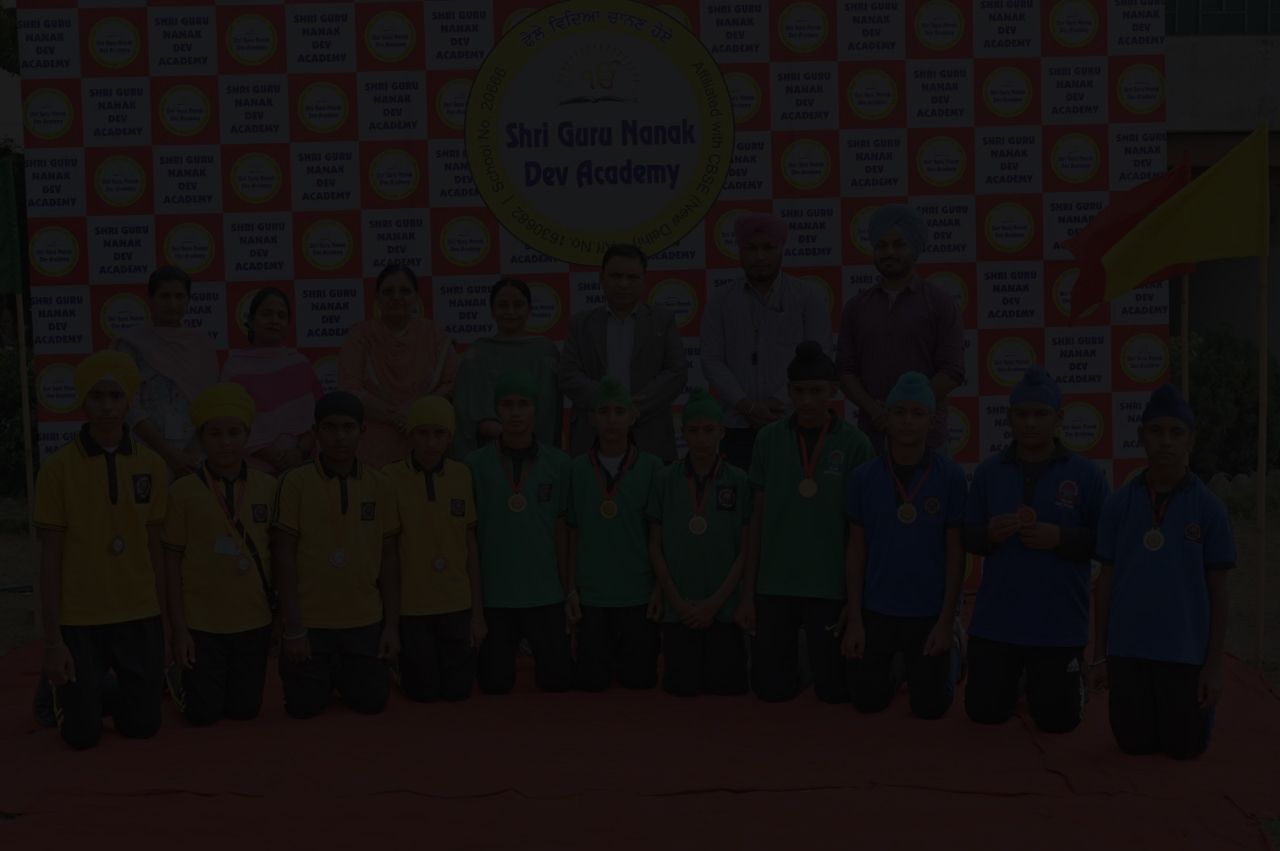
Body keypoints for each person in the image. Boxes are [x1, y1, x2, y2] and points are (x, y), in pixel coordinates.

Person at [962, 366, 1108, 733]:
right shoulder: (988, 472)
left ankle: (1053, 680)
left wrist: (1061, 538)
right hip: (997, 622)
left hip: (1058, 625)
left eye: (1040, 414)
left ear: (1059, 418)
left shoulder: (1087, 475)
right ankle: (1019, 678)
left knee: (1059, 723)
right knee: (984, 713)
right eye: (1021, 414)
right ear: (1009, 417)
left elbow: (1107, 542)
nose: (1030, 422)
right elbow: (968, 536)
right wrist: (988, 535)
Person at [1093, 384, 1234, 759]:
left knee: (1184, 749)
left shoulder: (1209, 509)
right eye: (1156, 431)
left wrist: (1214, 666)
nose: (1166, 442)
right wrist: (1101, 654)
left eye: (1176, 432)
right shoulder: (1119, 504)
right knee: (1132, 747)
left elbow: (1219, 591)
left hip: (1184, 653)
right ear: (1141, 437)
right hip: (1128, 651)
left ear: (1191, 439)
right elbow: (1105, 581)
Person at [35, 351, 168, 749]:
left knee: (142, 727)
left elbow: (156, 548)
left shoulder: (152, 465)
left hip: (138, 611)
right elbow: (50, 558)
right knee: (81, 737)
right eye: (96, 396)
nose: (107, 406)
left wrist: (163, 621)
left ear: (129, 400)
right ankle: (66, 692)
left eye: (115, 395)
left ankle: (96, 691)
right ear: (82, 401)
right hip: (81, 616)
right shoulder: (57, 469)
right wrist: (53, 641)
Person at [736, 341, 873, 703]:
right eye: (799, 391)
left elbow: (861, 532)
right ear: (789, 391)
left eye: (816, 391)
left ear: (834, 391)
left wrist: (854, 604)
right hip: (775, 583)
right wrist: (748, 595)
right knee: (770, 691)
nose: (807, 400)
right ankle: (800, 658)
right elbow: (755, 520)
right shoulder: (767, 439)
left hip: (828, 585)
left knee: (835, 693)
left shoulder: (856, 444)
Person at [842, 373, 966, 719]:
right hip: (878, 608)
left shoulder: (951, 477)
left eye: (917, 413)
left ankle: (956, 650)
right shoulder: (863, 477)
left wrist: (947, 620)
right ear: (886, 417)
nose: (908, 421)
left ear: (932, 420)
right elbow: (856, 550)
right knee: (866, 701)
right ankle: (901, 666)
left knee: (931, 707)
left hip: (928, 611)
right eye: (899, 412)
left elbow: (956, 553)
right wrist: (856, 619)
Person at [272, 392, 400, 718]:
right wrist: (293, 628)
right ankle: (326, 673)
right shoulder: (294, 482)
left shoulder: (381, 484)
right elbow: (284, 557)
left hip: (364, 622)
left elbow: (388, 559)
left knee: (371, 703)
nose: (339, 436)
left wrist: (391, 627)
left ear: (362, 431)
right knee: (302, 707)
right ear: (316, 432)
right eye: (330, 428)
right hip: (311, 624)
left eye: (348, 428)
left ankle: (343, 673)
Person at [164, 383, 277, 726]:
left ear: (247, 435)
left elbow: (280, 555)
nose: (225, 442)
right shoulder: (183, 491)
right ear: (200, 437)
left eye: (233, 433)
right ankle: (176, 680)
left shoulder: (268, 487)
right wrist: (179, 630)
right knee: (203, 715)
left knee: (245, 711)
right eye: (214, 434)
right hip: (202, 623)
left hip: (254, 620)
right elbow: (171, 563)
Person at [466, 371, 575, 694]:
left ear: (536, 409)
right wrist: (476, 606)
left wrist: (568, 590)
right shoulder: (474, 465)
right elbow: (469, 538)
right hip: (496, 596)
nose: (515, 412)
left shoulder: (559, 464)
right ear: (496, 409)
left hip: (545, 593)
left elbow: (563, 532)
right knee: (494, 686)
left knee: (558, 683)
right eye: (507, 404)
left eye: (523, 404)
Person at [700, 212, 832, 470]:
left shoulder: (807, 297)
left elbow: (820, 358)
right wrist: (746, 405)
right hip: (737, 425)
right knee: (741, 494)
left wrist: (779, 402)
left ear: (781, 249)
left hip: (794, 422)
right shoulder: (721, 301)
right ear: (739, 251)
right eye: (751, 248)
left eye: (768, 247)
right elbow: (711, 360)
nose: (760, 256)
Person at [647, 388, 751, 697]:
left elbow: (746, 550)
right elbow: (655, 546)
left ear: (722, 431)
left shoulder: (740, 480)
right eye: (693, 430)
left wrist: (715, 603)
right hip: (679, 607)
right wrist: (675, 601)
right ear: (683, 432)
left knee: (726, 690)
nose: (701, 438)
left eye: (708, 430)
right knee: (681, 690)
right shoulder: (664, 479)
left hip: (724, 608)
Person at [836, 204, 965, 453]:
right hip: (872, 437)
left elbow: (952, 371)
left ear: (914, 249)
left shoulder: (940, 303)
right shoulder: (856, 307)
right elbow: (845, 371)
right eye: (882, 246)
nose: (889, 252)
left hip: (928, 442)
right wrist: (875, 410)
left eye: (898, 245)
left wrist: (908, 411)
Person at [384, 396, 486, 702]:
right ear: (410, 435)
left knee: (458, 692)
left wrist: (477, 615)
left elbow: (470, 545)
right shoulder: (390, 478)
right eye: (423, 433)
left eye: (439, 433)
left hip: (456, 601)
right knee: (423, 693)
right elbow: (389, 553)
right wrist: (391, 623)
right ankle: (397, 670)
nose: (431, 442)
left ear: (450, 436)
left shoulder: (462, 474)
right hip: (412, 606)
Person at [566, 377, 664, 691]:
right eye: (604, 411)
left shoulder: (652, 469)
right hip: (592, 594)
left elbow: (659, 537)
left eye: (619, 412)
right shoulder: (576, 470)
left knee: (640, 682)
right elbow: (571, 533)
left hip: (638, 592)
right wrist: (571, 589)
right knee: (591, 684)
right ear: (591, 418)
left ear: (633, 416)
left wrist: (658, 589)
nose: (611, 419)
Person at [559, 244, 687, 462]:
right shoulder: (580, 324)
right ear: (601, 278)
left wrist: (633, 409)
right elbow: (568, 374)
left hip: (650, 433)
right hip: (592, 435)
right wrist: (607, 406)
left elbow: (677, 372)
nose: (624, 284)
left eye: (632, 277)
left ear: (644, 280)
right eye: (616, 276)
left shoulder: (663, 321)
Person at [339, 264, 460, 468]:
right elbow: (350, 389)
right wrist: (395, 415)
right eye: (388, 292)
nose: (396, 297)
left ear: (416, 297)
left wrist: (417, 412)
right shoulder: (360, 337)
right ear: (377, 299)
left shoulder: (434, 335)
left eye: (405, 291)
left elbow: (452, 383)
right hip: (374, 445)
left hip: (426, 441)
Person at [115, 266, 219, 477]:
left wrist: (191, 455)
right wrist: (169, 454)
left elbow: (211, 405)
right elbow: (129, 405)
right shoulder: (131, 345)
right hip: (145, 453)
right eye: (165, 296)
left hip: (195, 458)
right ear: (150, 299)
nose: (173, 304)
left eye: (180, 296)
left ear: (189, 300)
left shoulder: (202, 346)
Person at [453, 278, 562, 458]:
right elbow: (465, 414)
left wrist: (523, 437)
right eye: (503, 305)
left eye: (518, 305)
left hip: (536, 455)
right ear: (492, 310)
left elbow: (550, 413)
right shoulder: (477, 354)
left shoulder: (545, 352)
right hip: (488, 455)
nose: (510, 311)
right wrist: (500, 432)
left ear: (529, 309)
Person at [220, 287, 322, 474]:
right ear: (251, 321)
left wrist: (299, 452)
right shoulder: (235, 368)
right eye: (266, 314)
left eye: (281, 316)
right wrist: (273, 456)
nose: (274, 320)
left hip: (300, 467)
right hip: (253, 471)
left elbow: (317, 419)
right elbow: (231, 421)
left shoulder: (300, 364)